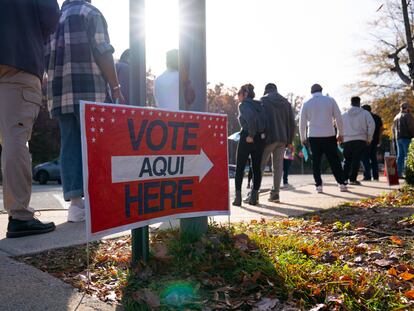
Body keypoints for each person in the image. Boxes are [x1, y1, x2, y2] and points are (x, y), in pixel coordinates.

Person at [47, 0, 125, 222]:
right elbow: (102, 51)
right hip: (90, 92)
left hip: (60, 93)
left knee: (69, 145)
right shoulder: (90, 13)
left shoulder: (55, 18)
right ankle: (98, 200)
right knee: (97, 146)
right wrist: (115, 86)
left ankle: (75, 205)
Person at [0, 0, 60, 238]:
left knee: (10, 141)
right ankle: (20, 216)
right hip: (18, 62)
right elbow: (50, 19)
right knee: (16, 139)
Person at [299, 84, 348, 193]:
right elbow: (338, 118)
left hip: (313, 136)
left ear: (311, 92)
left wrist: (303, 138)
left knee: (316, 162)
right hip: (329, 134)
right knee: (334, 160)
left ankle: (319, 185)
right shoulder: (330, 100)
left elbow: (302, 123)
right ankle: (341, 183)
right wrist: (340, 133)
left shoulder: (306, 103)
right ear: (321, 90)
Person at [260, 83, 295, 202]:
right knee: (278, 167)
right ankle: (275, 193)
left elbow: (261, 120)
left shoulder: (264, 100)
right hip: (282, 139)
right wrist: (289, 141)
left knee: (260, 165)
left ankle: (254, 194)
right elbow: (291, 123)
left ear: (266, 90)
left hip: (268, 138)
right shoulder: (286, 102)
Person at [233, 84, 266, 206]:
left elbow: (251, 119)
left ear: (245, 94)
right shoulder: (260, 105)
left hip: (248, 136)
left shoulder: (243, 105)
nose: (238, 97)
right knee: (256, 168)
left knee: (240, 167)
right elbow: (264, 122)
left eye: (239, 94)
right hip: (259, 138)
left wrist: (251, 135)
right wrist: (258, 134)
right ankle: (253, 197)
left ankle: (238, 198)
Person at [342, 97, 375, 185]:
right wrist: (369, 138)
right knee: (356, 160)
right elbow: (372, 125)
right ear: (359, 103)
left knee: (347, 160)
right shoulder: (365, 113)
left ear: (351, 103)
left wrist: (340, 136)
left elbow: (339, 125)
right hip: (360, 139)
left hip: (347, 139)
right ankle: (352, 179)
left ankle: (344, 179)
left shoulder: (344, 114)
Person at [361, 104, 383, 181]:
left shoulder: (364, 117)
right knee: (373, 158)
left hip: (366, 140)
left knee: (365, 158)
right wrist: (379, 139)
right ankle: (376, 176)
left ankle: (367, 176)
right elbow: (381, 129)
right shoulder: (377, 117)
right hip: (375, 140)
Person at [392, 102, 414, 178]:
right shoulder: (408, 116)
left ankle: (398, 173)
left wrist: (394, 139)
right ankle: (407, 173)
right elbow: (411, 127)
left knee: (399, 156)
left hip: (398, 138)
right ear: (407, 107)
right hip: (406, 137)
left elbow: (393, 129)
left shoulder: (396, 117)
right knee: (407, 156)